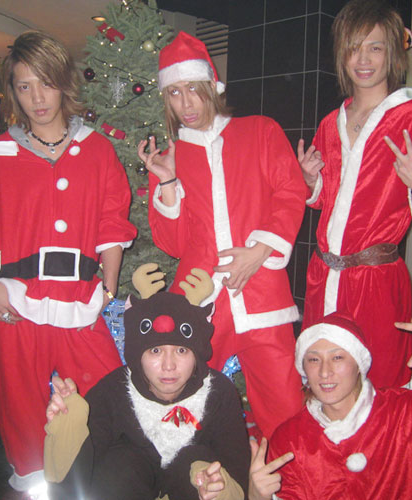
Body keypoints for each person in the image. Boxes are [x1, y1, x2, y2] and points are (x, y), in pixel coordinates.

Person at [0, 31, 137, 493]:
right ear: (13, 92)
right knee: (18, 405)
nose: (37, 98)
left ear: (64, 83)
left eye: (46, 83)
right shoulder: (0, 155)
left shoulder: (97, 150)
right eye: (24, 86)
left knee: (108, 393)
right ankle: (35, 487)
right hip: (16, 302)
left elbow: (112, 224)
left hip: (80, 302)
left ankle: (104, 482)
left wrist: (108, 288)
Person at [138, 31, 307, 439]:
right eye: (174, 93)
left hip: (262, 294)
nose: (186, 104)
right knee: (183, 409)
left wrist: (259, 250)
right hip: (200, 297)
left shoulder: (260, 131)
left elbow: (290, 192)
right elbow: (174, 244)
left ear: (212, 87)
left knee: (285, 410)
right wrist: (167, 181)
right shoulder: (171, 157)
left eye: (193, 90)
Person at [298, 0, 412, 389]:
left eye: (375, 48)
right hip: (324, 276)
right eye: (354, 48)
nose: (363, 60)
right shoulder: (329, 123)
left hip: (376, 282)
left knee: (381, 381)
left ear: (393, 54)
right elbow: (326, 201)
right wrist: (309, 181)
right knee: (323, 378)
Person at [248, 312, 412, 500]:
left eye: (338, 357)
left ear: (359, 364)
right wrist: (257, 496)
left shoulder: (409, 414)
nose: (325, 372)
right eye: (314, 359)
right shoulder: (290, 439)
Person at [44, 265, 251, 499]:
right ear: (137, 355)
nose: (169, 365)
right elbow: (78, 478)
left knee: (198, 461)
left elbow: (236, 470)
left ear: (197, 355)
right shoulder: (115, 390)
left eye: (181, 350)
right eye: (155, 351)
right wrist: (67, 427)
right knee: (119, 463)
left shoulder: (218, 393)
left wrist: (217, 487)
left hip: (189, 489)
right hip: (130, 485)